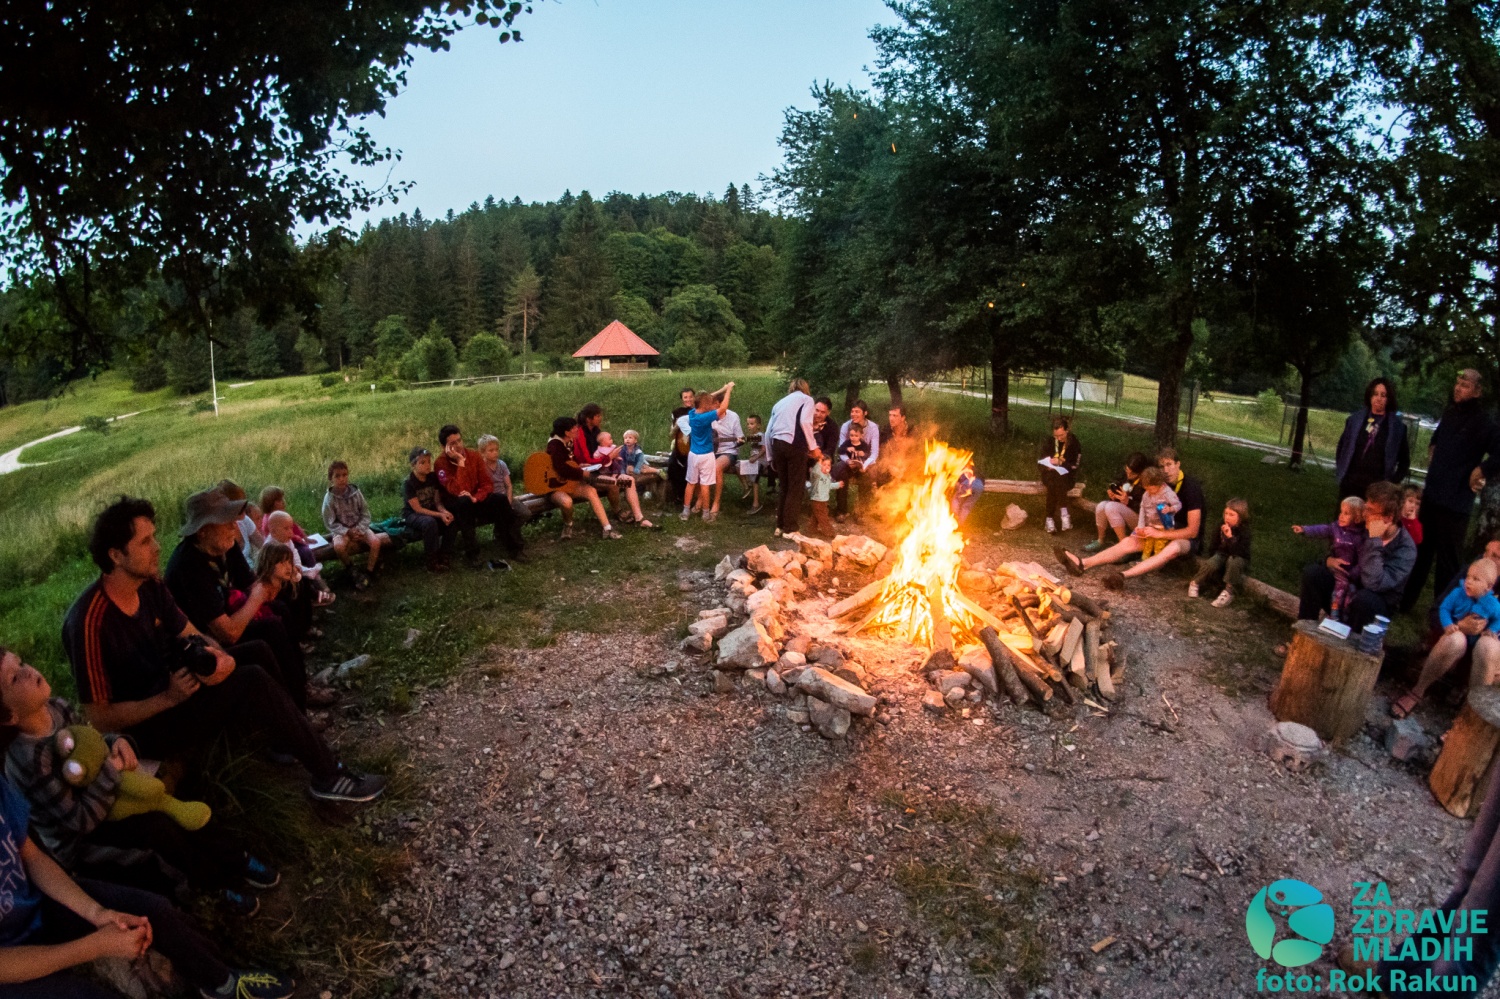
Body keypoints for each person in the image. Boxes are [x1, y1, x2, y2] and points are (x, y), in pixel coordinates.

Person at [63, 498, 386, 806]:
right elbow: (100, 718)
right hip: (149, 724)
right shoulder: (89, 622)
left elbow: (191, 632)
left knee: (257, 650)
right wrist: (167, 699)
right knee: (252, 679)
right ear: (116, 555)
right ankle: (328, 776)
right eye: (145, 542)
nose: (158, 547)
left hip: (178, 685)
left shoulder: (149, 587)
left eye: (154, 537)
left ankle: (286, 738)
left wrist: (220, 657)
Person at [0, 649, 275, 917]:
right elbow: (80, 821)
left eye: (21, 663)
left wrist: (116, 741)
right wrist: (110, 770)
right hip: (83, 841)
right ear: (9, 716)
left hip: (106, 793)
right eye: (14, 679)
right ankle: (208, 888)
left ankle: (234, 857)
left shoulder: (56, 707)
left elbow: (91, 743)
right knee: (155, 827)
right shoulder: (29, 761)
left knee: (167, 801)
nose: (27, 671)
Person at [0, 773, 294, 999]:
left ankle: (222, 983)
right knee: (83, 995)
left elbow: (32, 856)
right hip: (7, 965)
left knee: (152, 910)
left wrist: (97, 913)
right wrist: (93, 947)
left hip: (34, 908)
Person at [164, 488, 318, 711]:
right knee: (271, 629)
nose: (233, 526)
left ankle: (300, 688)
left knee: (285, 603)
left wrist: (272, 583)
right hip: (207, 645)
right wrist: (259, 594)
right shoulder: (188, 567)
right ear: (203, 531)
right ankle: (294, 708)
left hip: (232, 616)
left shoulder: (224, 545)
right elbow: (228, 633)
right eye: (225, 521)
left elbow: (252, 583)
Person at [1403, 369, 1500, 611]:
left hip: (1456, 502)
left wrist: (1482, 470)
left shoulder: (1484, 421)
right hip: (1433, 494)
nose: (1458, 388)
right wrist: (1433, 456)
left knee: (1448, 561)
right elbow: (1435, 440)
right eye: (1457, 382)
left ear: (1477, 391)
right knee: (1421, 550)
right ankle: (1405, 602)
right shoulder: (1450, 413)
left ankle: (1443, 609)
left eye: (1465, 385)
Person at [1056, 447, 1205, 589]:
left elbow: (1192, 532)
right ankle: (1083, 563)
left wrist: (1160, 534)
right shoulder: (1160, 483)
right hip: (1160, 528)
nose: (1166, 470)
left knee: (1173, 548)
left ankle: (1122, 576)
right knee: (1130, 541)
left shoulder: (1191, 488)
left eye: (1169, 464)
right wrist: (1143, 527)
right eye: (1162, 466)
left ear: (1178, 464)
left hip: (1184, 537)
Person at [1296, 481, 1416, 631]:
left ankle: (1353, 641)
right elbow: (1340, 543)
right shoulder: (1363, 526)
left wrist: (1374, 540)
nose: (1364, 514)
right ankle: (1304, 629)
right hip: (1344, 589)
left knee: (1364, 600)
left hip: (1373, 604)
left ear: (1388, 518)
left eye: (1370, 511)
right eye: (1366, 507)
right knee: (1313, 574)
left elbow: (1374, 584)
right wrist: (1328, 560)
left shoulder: (1405, 549)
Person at [1392, 559, 1500, 719]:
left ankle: (1472, 714)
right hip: (1457, 637)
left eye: (1496, 556)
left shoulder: (1492, 602)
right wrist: (1457, 625)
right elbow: (1438, 610)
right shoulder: (1462, 587)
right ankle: (1417, 691)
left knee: (1488, 646)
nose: (1469, 581)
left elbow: (1498, 619)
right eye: (1487, 552)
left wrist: (1491, 630)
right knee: (1455, 639)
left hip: (1487, 649)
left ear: (1489, 586)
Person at [571, 408, 653, 527]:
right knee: (614, 484)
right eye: (597, 416)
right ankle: (617, 511)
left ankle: (639, 518)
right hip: (590, 474)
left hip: (605, 471)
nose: (600, 418)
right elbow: (586, 459)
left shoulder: (596, 430)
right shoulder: (580, 433)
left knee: (629, 481)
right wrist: (609, 457)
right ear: (589, 419)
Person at [1333, 377, 1410, 503]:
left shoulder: (1397, 428)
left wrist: (1392, 483)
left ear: (1389, 398)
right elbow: (1342, 448)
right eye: (1375, 394)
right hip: (1350, 484)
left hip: (1377, 491)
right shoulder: (1354, 420)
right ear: (1370, 396)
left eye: (1383, 395)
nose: (1378, 398)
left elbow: (1404, 462)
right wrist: (1342, 472)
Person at [545, 417, 621, 540]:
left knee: (591, 491)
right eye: (574, 428)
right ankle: (568, 525)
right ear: (567, 432)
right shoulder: (555, 445)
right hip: (555, 485)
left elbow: (570, 461)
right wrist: (581, 473)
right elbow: (561, 468)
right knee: (566, 502)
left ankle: (607, 528)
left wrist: (579, 465)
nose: (577, 429)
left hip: (570, 482)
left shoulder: (568, 441)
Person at [1292, 497, 1368, 619]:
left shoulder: (1359, 537)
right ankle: (1332, 616)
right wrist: (1305, 530)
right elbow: (1322, 529)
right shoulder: (1336, 528)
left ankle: (1342, 617)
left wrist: (1352, 574)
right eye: (1341, 512)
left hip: (1348, 574)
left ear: (1357, 518)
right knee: (1336, 593)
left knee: (1347, 595)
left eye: (1346, 513)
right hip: (1334, 571)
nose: (1341, 516)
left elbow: (1363, 560)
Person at [766, 379, 822, 537]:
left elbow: (768, 431)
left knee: (784, 486)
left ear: (791, 388)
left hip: (777, 444)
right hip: (794, 444)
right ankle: (790, 528)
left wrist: (770, 457)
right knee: (796, 487)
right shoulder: (807, 399)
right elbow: (805, 422)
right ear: (805, 388)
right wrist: (813, 447)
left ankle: (780, 525)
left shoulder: (779, 403)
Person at [321, 460, 385, 591]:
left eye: (344, 475)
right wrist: (347, 531)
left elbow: (365, 513)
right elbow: (330, 522)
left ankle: (369, 572)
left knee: (376, 542)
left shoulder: (356, 493)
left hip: (359, 527)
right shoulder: (329, 499)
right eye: (337, 476)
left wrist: (360, 529)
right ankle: (351, 569)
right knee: (339, 547)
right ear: (331, 479)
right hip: (342, 530)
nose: (342, 479)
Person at [681, 383, 734, 523]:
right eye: (709, 403)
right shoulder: (706, 417)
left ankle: (685, 511)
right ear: (705, 405)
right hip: (707, 456)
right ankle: (705, 513)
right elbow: (723, 408)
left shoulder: (692, 413)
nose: (711, 404)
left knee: (691, 483)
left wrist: (722, 389)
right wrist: (728, 390)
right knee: (705, 485)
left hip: (693, 455)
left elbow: (705, 399)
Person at [1190, 498, 1252, 607]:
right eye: (1226, 513)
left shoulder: (1244, 531)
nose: (1227, 517)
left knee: (1234, 561)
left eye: (1232, 515)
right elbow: (1214, 545)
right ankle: (1195, 582)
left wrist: (1230, 537)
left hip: (1238, 557)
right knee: (1212, 562)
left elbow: (1239, 552)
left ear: (1240, 517)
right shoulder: (1220, 525)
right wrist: (1215, 558)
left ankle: (1229, 591)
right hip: (1222, 554)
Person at [403, 447, 457, 573]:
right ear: (413, 465)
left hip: (430, 510)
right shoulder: (409, 483)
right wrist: (439, 515)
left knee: (451, 519)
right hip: (413, 514)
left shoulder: (432, 477)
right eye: (422, 462)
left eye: (429, 461)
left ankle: (444, 554)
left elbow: (437, 502)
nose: (427, 465)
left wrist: (444, 512)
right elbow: (418, 509)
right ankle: (431, 561)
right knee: (429, 522)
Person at [265, 511, 335, 606]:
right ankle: (314, 595)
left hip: (290, 571)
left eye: (291, 528)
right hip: (279, 581)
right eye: (286, 529)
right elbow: (274, 570)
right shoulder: (271, 547)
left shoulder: (287, 540)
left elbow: (294, 552)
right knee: (300, 582)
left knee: (303, 580)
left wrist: (298, 565)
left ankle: (311, 596)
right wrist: (291, 571)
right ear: (274, 532)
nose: (291, 532)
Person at [475, 433, 534, 544]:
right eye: (491, 450)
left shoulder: (502, 464)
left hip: (505, 497)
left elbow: (509, 485)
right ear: (482, 452)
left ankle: (509, 532)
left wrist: (509, 501)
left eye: (497, 450)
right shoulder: (481, 468)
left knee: (525, 513)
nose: (495, 453)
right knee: (504, 516)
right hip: (492, 501)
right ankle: (508, 538)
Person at [1086, 452, 1150, 552]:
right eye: (1127, 471)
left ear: (1141, 472)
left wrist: (1128, 502)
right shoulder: (1126, 475)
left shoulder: (1147, 482)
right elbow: (1116, 484)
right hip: (1128, 511)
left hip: (1143, 519)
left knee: (1111, 507)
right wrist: (1113, 494)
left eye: (1132, 474)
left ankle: (1124, 547)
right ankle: (1100, 540)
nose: (1128, 475)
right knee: (1101, 506)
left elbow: (1148, 509)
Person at [832, 401, 880, 520]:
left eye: (857, 411)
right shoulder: (846, 426)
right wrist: (848, 461)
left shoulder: (873, 427)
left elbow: (874, 453)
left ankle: (861, 512)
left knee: (867, 474)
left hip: (864, 461)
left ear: (865, 413)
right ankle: (841, 511)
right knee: (841, 471)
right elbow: (841, 450)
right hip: (848, 461)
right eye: (852, 411)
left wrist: (865, 465)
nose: (853, 414)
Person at [1037, 416, 1081, 534]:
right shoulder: (1050, 441)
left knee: (1057, 480)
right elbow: (1040, 462)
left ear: (1067, 431)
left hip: (1067, 477)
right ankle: (1064, 513)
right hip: (1049, 475)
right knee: (1054, 479)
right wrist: (1047, 466)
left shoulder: (1074, 443)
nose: (1059, 438)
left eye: (1061, 435)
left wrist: (1061, 463)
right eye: (1056, 436)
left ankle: (1049, 519)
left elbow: (1075, 466)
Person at [257, 486, 315, 569]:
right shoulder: (271, 519)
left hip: (290, 541)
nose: (283, 502)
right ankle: (311, 570)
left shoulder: (282, 514)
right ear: (272, 503)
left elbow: (295, 526)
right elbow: (278, 536)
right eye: (280, 500)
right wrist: (297, 538)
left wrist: (305, 538)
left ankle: (310, 570)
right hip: (281, 546)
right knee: (306, 552)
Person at [711, 403, 745, 520]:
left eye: (715, 406)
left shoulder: (733, 416)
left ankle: (716, 503)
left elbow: (741, 438)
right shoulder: (708, 415)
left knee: (717, 467)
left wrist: (739, 441)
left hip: (728, 451)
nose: (713, 409)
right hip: (710, 451)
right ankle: (700, 501)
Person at [217, 480, 263, 565]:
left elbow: (262, 544)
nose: (244, 508)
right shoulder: (220, 530)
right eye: (240, 505)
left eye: (244, 503)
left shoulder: (245, 520)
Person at [667, 388, 694, 509]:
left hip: (695, 445)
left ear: (694, 397)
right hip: (680, 445)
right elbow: (671, 434)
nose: (688, 399)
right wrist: (677, 425)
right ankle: (678, 496)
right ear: (682, 399)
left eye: (690, 396)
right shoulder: (677, 412)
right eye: (685, 397)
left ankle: (689, 498)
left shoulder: (699, 410)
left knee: (689, 468)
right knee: (672, 466)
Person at [738, 415, 766, 515]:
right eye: (748, 424)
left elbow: (764, 449)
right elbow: (744, 440)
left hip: (761, 462)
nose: (749, 426)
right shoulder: (753, 436)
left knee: (755, 477)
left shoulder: (760, 435)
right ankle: (747, 486)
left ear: (758, 425)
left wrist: (755, 457)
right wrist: (737, 440)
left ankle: (756, 504)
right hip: (754, 462)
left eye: (752, 424)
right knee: (737, 465)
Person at [807, 457, 837, 536]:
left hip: (824, 500)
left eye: (828, 465)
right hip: (817, 499)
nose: (827, 467)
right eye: (824, 465)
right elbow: (815, 471)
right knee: (823, 516)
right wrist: (819, 462)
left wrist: (837, 485)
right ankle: (829, 531)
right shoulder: (818, 475)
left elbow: (829, 485)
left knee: (816, 515)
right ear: (820, 466)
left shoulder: (828, 476)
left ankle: (812, 529)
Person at [952, 461, 985, 526]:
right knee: (966, 506)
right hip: (980, 486)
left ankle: (954, 518)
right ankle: (960, 524)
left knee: (956, 499)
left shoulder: (961, 469)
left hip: (968, 483)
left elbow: (957, 483)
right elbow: (982, 480)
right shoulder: (973, 468)